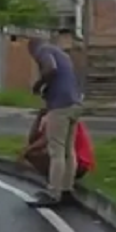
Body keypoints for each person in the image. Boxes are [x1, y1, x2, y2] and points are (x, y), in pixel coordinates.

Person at [26, 37, 84, 208]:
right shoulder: (62, 54)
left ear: (32, 48)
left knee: (56, 150)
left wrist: (39, 86)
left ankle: (53, 193)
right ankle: (67, 190)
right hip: (74, 104)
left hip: (60, 105)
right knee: (68, 150)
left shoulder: (43, 51)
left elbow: (50, 69)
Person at [19, 108, 94, 184]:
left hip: (79, 163)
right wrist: (39, 117)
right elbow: (32, 139)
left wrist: (26, 151)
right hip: (68, 157)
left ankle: (55, 179)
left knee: (33, 154)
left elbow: (46, 139)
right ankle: (53, 175)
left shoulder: (62, 116)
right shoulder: (52, 117)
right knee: (32, 152)